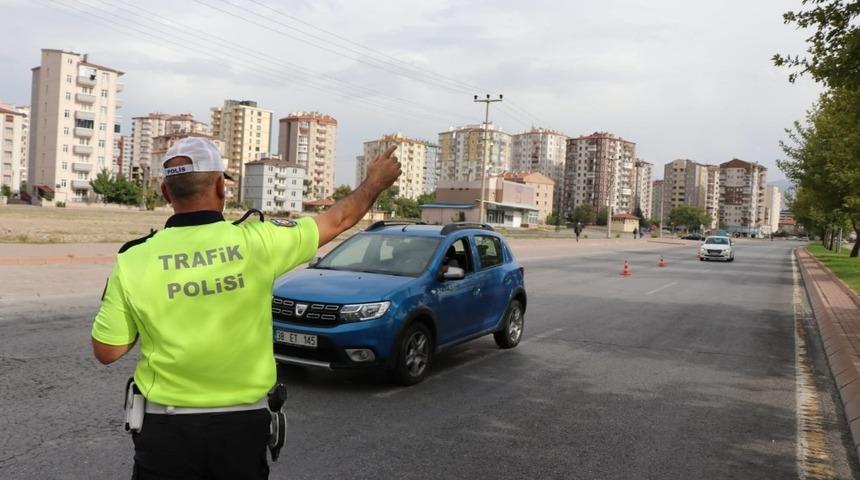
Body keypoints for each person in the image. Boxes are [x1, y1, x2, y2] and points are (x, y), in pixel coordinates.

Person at [90, 137, 401, 479]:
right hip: (242, 428)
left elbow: (108, 350)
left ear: (166, 193)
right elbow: (338, 220)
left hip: (165, 429)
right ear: (221, 187)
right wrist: (375, 182)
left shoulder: (134, 259)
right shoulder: (260, 242)